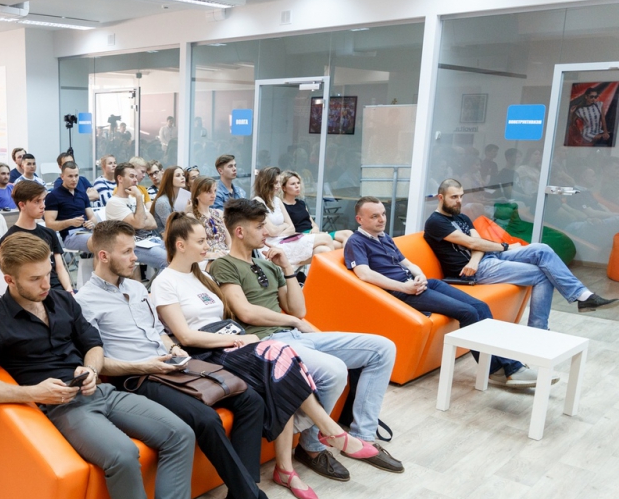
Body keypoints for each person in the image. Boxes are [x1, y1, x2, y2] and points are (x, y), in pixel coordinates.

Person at [0, 232, 217, 499]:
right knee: (122, 455)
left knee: (180, 434)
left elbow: (93, 344)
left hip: (99, 390)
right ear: (9, 280)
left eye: (48, 274)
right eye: (34, 279)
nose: (45, 284)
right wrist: (32, 392)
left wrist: (92, 369)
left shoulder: (61, 300)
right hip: (62, 408)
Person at [78, 220, 303, 499]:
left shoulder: (137, 288)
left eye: (133, 250)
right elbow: (98, 361)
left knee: (250, 399)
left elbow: (158, 332)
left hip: (171, 364)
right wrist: (146, 365)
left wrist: (174, 350)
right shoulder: (84, 301)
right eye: (127, 252)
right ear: (103, 256)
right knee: (205, 418)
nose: (135, 257)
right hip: (137, 377)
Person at [154, 212, 377, 499]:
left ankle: (288, 468)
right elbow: (185, 337)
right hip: (207, 352)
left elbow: (233, 317)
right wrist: (237, 339)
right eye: (201, 241)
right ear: (180, 245)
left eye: (207, 239)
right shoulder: (165, 281)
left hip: (230, 342)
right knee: (278, 357)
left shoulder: (203, 276)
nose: (207, 245)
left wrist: (243, 335)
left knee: (281, 367)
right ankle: (328, 432)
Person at [211, 199, 404, 480]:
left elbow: (299, 309)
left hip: (296, 335)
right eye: (260, 226)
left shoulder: (268, 264)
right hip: (269, 344)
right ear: (240, 231)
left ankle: (364, 436)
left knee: (383, 348)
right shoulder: (224, 265)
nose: (267, 231)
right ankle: (312, 446)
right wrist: (292, 321)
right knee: (334, 370)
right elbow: (246, 312)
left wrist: (286, 268)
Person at [346, 196, 543, 388]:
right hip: (401, 293)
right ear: (359, 219)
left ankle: (503, 367)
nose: (382, 219)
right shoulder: (356, 242)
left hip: (420, 284)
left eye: (383, 214)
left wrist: (420, 275)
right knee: (468, 312)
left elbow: (408, 264)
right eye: (374, 216)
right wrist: (405, 287)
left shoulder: (384, 237)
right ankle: (504, 369)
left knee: (480, 306)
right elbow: (364, 274)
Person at [423, 178, 618, 329]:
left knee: (542, 248)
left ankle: (583, 295)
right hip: (473, 272)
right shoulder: (435, 222)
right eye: (454, 197)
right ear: (441, 197)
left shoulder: (462, 217)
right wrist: (505, 247)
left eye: (461, 196)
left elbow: (478, 244)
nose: (459, 201)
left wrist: (476, 257)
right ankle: (538, 330)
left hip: (483, 260)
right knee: (542, 274)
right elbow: (472, 242)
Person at [0, 179, 72, 292]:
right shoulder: (9, 239)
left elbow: (60, 268)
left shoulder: (49, 233)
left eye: (43, 200)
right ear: (22, 205)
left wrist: (69, 290)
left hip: (57, 290)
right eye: (37, 201)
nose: (43, 206)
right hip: (33, 293)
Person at [252, 167, 330, 265]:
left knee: (323, 250)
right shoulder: (257, 201)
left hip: (286, 240)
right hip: (272, 246)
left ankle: (317, 276)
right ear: (266, 183)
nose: (278, 186)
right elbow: (272, 231)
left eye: (279, 182)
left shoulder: (277, 200)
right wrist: (284, 226)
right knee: (326, 238)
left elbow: (291, 228)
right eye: (275, 183)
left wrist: (279, 230)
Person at [105, 162, 167, 270]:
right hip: (133, 245)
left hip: (150, 240)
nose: (135, 180)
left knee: (181, 255)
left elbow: (153, 223)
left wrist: (138, 221)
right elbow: (139, 223)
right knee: (168, 261)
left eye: (135, 176)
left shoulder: (133, 199)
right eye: (131, 176)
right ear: (120, 178)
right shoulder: (114, 202)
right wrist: (138, 196)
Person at [281, 170, 351, 249]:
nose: (297, 186)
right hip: (301, 237)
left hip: (313, 234)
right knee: (337, 244)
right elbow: (288, 231)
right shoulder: (282, 206)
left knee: (348, 233)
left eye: (298, 183)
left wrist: (315, 228)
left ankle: (351, 257)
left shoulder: (301, 203)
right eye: (293, 184)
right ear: (284, 188)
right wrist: (308, 234)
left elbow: (312, 223)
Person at [44, 161, 97, 252]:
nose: (74, 179)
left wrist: (91, 223)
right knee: (99, 242)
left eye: (76, 176)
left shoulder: (82, 194)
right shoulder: (53, 196)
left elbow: (92, 217)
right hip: (70, 236)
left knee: (111, 239)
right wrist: (70, 222)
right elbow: (49, 225)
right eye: (70, 176)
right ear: (62, 176)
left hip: (88, 231)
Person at [190, 176, 231, 262]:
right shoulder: (191, 217)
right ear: (197, 195)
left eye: (215, 191)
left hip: (224, 256)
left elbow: (229, 242)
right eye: (209, 192)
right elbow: (192, 247)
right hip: (205, 260)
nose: (213, 195)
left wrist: (231, 253)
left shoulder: (219, 213)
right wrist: (212, 255)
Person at [150, 166, 187, 237]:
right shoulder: (163, 202)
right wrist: (186, 212)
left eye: (183, 175)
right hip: (161, 240)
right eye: (178, 175)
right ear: (169, 179)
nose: (182, 178)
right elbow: (172, 227)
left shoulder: (174, 198)